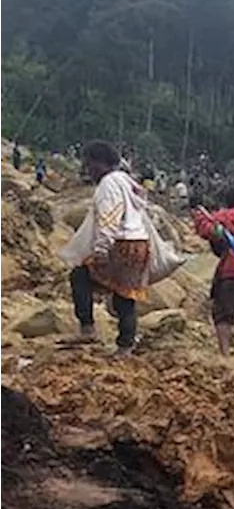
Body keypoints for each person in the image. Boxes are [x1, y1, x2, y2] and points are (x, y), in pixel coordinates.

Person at [59, 142, 151, 354]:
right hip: (138, 243)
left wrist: (101, 248)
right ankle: (125, 346)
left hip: (120, 244)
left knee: (80, 276)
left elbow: (110, 215)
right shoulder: (128, 182)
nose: (88, 170)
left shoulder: (108, 184)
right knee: (125, 297)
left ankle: (87, 329)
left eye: (90, 164)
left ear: (100, 163)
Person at [192, 183, 234, 356]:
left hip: (230, 271)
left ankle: (225, 352)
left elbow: (206, 230)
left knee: (224, 314)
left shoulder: (224, 216)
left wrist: (199, 216)